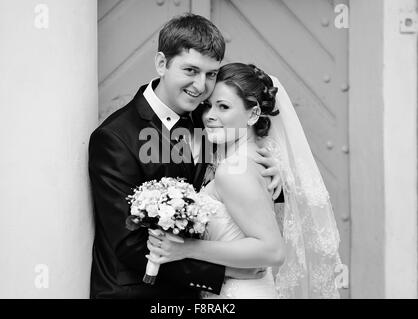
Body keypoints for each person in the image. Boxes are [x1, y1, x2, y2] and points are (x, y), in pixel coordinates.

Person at [88, 14, 282, 299]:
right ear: (162, 64)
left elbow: (236, 189)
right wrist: (223, 272)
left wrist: (275, 177)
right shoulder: (115, 138)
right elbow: (130, 244)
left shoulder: (208, 121)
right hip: (140, 292)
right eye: (191, 70)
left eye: (211, 74)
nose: (202, 85)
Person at [146, 63, 342, 299]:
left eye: (223, 107)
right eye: (208, 106)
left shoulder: (233, 170)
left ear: (253, 114)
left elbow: (272, 250)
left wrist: (186, 248)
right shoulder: (258, 159)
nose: (209, 116)